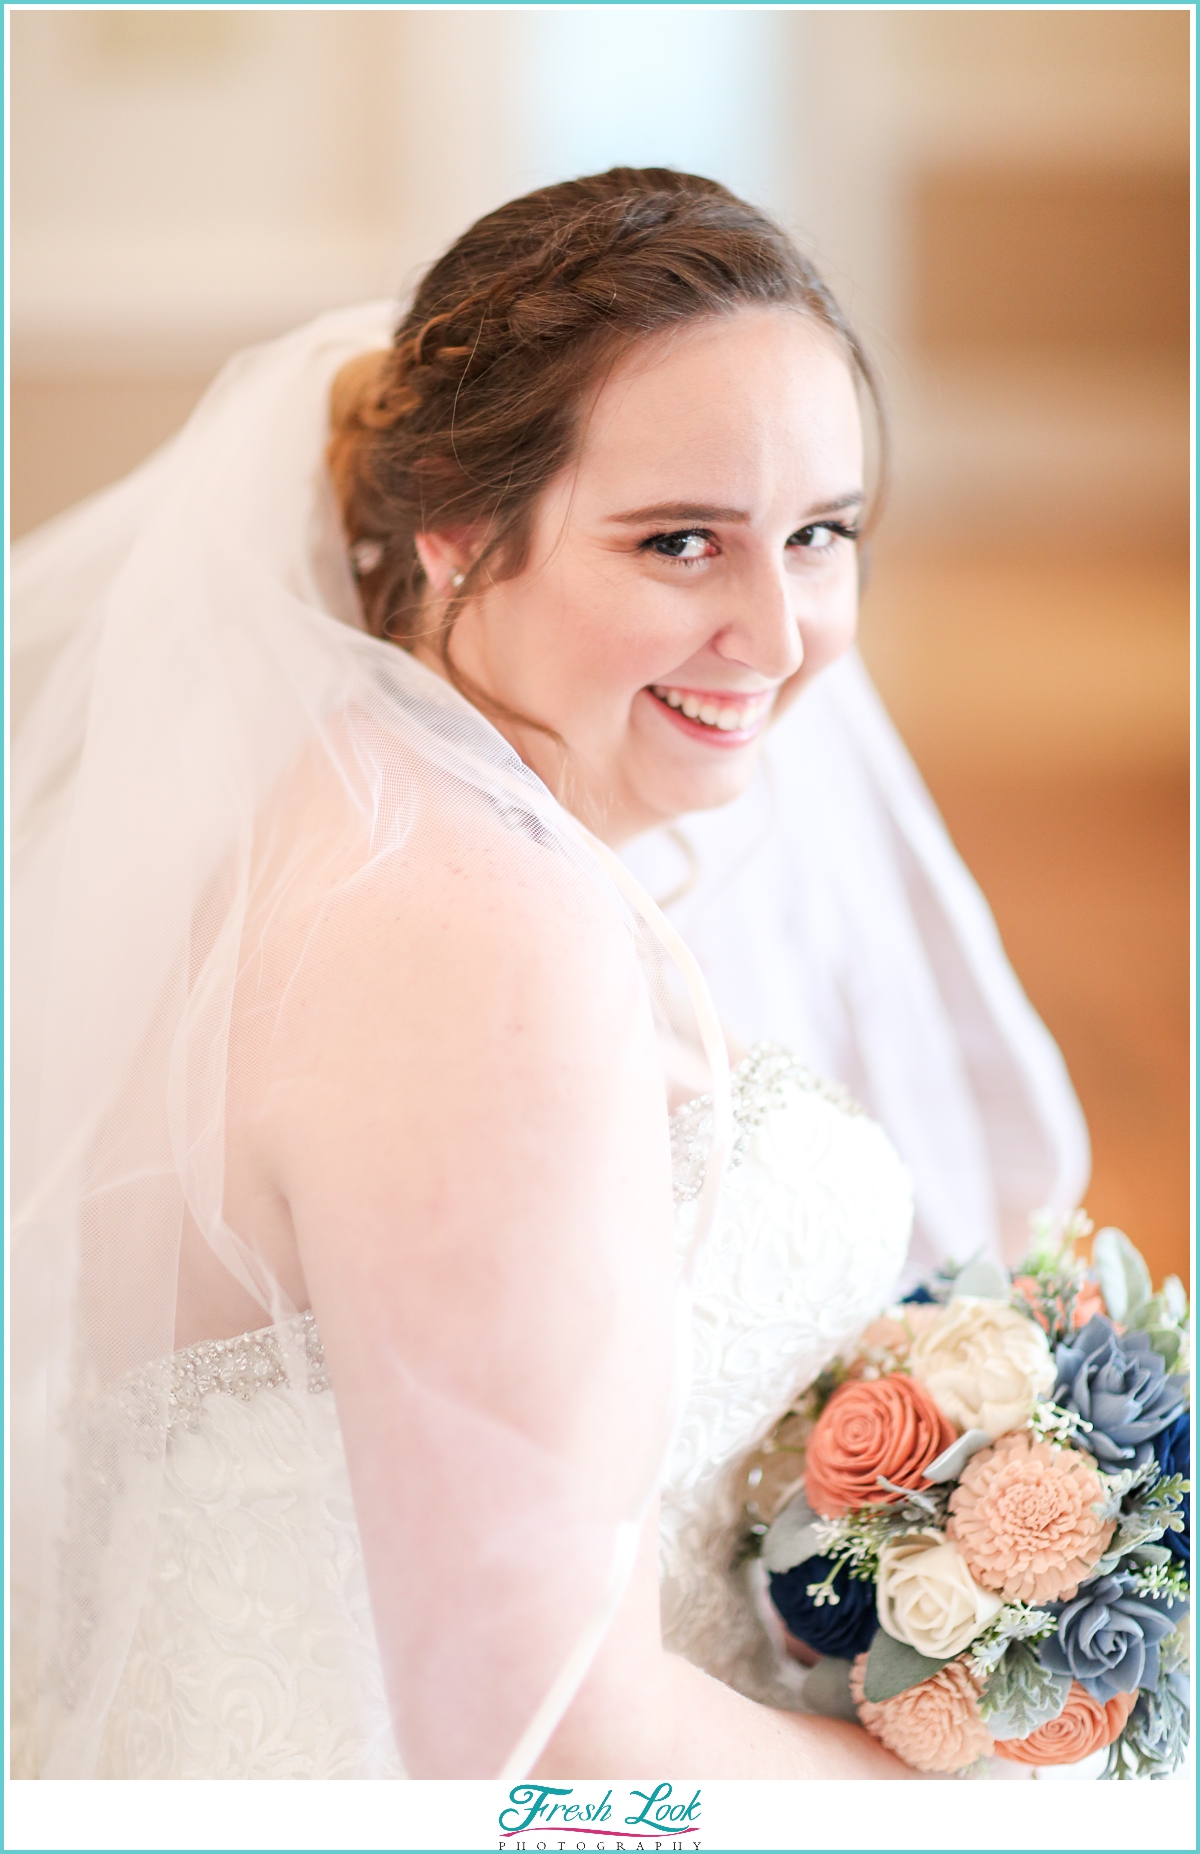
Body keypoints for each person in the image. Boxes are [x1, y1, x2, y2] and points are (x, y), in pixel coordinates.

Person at [11, 168, 1086, 1780]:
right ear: (454, 527)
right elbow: (550, 1774)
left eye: (819, 535)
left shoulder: (397, 788)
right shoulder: (473, 942)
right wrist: (1002, 1788)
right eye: (677, 544)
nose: (778, 633)